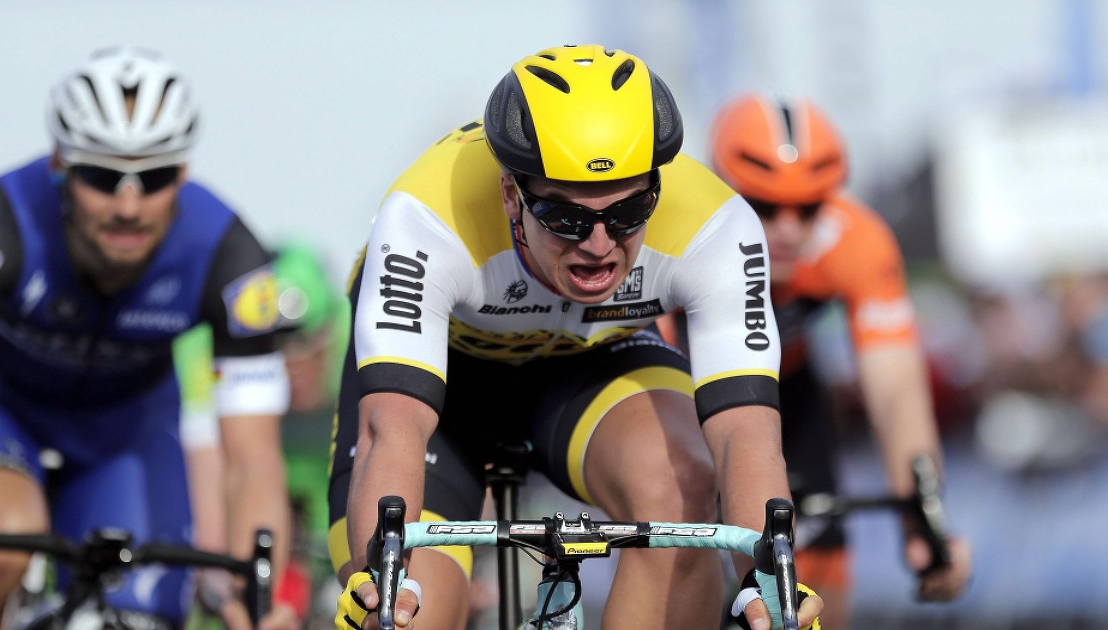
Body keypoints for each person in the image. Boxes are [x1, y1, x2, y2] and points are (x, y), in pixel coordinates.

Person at [329, 44, 824, 630]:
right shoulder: (427, 216)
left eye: (628, 213)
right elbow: (392, 426)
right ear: (511, 194)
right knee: (404, 613)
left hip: (592, 363)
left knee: (683, 491)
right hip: (447, 384)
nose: (598, 244)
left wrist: (769, 583)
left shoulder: (714, 225)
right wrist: (384, 580)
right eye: (565, 218)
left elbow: (746, 430)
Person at [0, 47, 292, 629]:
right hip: (6, 418)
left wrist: (254, 597)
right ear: (60, 164)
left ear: (183, 172)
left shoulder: (228, 255)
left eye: (154, 177)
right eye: (103, 176)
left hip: (127, 435)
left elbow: (254, 461)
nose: (129, 206)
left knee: (139, 618)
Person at [677, 93, 972, 627]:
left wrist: (926, 519)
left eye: (810, 207)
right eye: (765, 207)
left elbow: (896, 392)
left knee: (817, 582)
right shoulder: (680, 236)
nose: (789, 229)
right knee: (684, 541)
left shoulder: (858, 240)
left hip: (787, 391)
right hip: (682, 390)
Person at [176, 241, 351, 627]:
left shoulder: (354, 335)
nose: (294, 362)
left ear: (331, 327)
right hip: (246, 467)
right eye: (276, 349)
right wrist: (220, 580)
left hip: (325, 473)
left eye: (307, 342)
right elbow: (209, 470)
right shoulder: (203, 350)